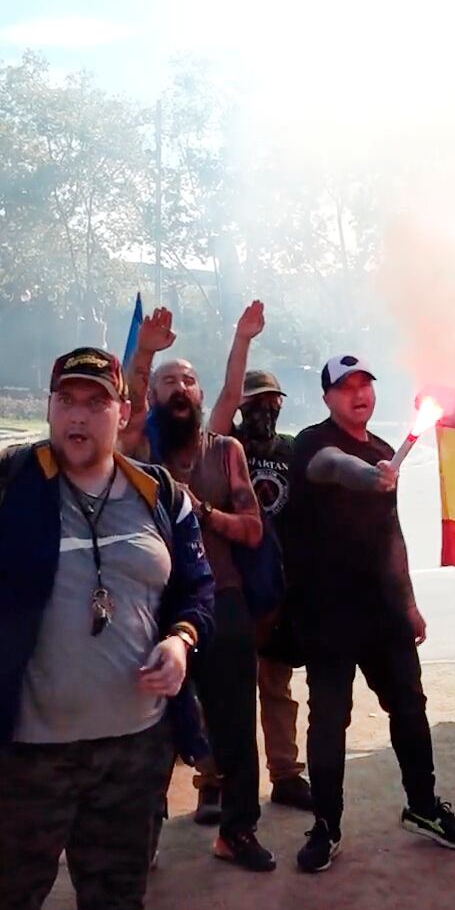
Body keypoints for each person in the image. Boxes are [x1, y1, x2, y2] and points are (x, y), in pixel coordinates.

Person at [0, 347, 214, 910]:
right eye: (67, 401)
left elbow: (196, 588)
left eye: (96, 403)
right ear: (50, 408)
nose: (78, 416)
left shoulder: (160, 495)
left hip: (132, 756)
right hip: (18, 761)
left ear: (125, 413)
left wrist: (180, 641)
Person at [286, 354, 455, 872]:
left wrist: (408, 603)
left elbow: (393, 534)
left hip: (382, 609)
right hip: (327, 611)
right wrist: (368, 475)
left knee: (409, 707)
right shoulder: (312, 443)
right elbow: (333, 467)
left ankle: (423, 807)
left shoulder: (384, 452)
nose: (358, 394)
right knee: (330, 718)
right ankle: (326, 825)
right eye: (346, 386)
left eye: (364, 384)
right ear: (327, 397)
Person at [143, 347, 274, 872]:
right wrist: (144, 353)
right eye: (168, 381)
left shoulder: (225, 452)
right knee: (149, 727)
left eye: (188, 380)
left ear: (199, 394)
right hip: (153, 607)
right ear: (152, 395)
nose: (180, 388)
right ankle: (141, 836)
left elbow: (253, 528)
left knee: (236, 723)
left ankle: (237, 831)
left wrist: (203, 512)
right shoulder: (138, 451)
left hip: (222, 599)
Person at [207, 300, 313, 811]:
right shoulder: (224, 448)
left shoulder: (292, 451)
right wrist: (243, 340)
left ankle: (286, 774)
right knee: (224, 688)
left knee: (277, 683)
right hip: (231, 582)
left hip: (278, 586)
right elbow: (223, 409)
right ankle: (212, 782)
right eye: (256, 404)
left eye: (272, 404)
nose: (265, 412)